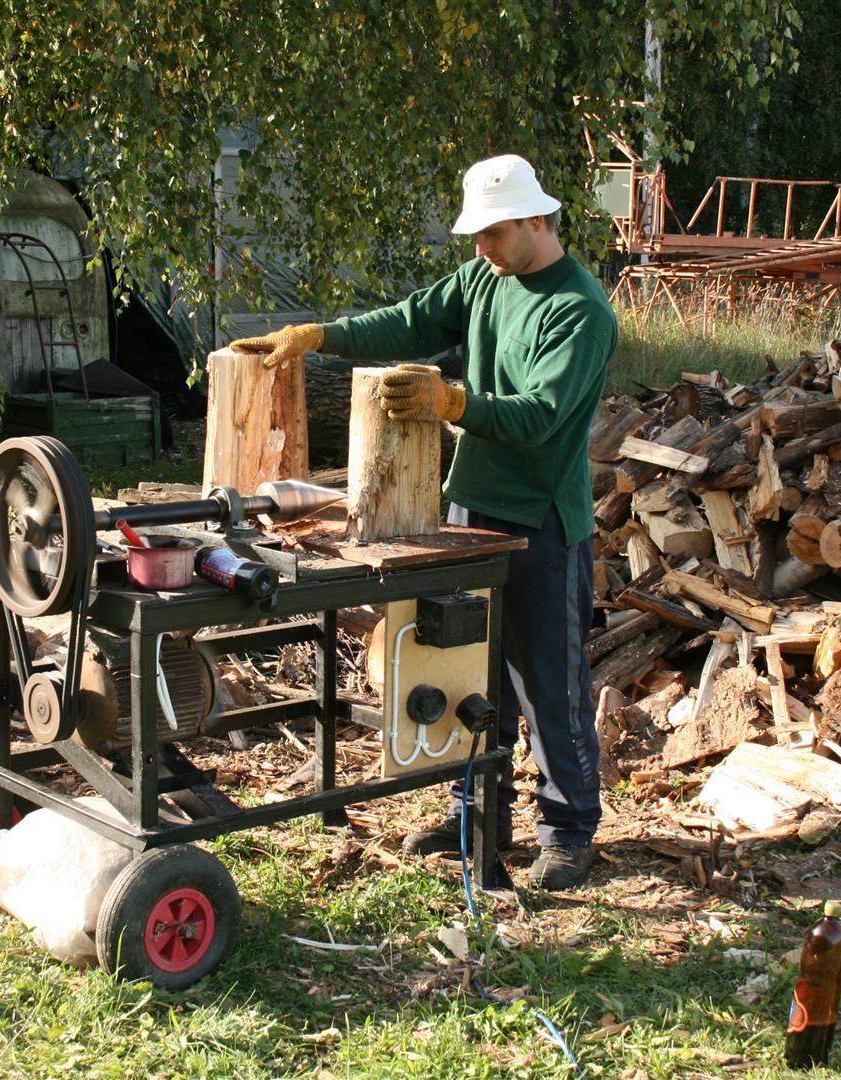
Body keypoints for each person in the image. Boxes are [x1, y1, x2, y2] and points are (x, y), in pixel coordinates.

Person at [228, 154, 617, 890]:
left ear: (537, 220)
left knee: (546, 684)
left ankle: (568, 830)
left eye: (493, 233)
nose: (479, 249)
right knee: (468, 668)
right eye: (474, 236)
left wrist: (453, 405)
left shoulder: (579, 310)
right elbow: (409, 320)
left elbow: (538, 417)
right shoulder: (482, 278)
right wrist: (321, 336)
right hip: (468, 506)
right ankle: (477, 812)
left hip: (539, 520)